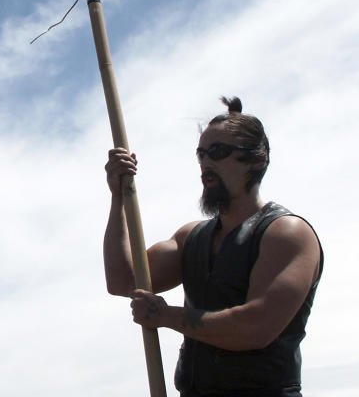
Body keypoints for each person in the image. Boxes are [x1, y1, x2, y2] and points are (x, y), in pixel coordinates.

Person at [103, 96, 323, 397]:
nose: (206, 162)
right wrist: (117, 197)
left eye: (218, 152)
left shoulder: (286, 233)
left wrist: (167, 317)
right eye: (201, 154)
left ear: (257, 159)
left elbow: (256, 327)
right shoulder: (191, 238)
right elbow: (123, 280)